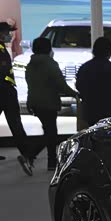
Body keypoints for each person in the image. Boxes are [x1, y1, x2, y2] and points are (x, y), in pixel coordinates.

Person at [0, 21, 34, 174]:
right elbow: (0, 72)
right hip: (4, 92)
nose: (10, 35)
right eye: (8, 33)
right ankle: (26, 152)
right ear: (1, 33)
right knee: (15, 122)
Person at [25, 37, 78, 170]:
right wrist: (75, 94)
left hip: (35, 101)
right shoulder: (50, 64)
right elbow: (60, 84)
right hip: (48, 102)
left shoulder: (31, 64)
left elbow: (31, 85)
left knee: (49, 131)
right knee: (50, 133)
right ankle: (31, 155)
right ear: (48, 48)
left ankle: (51, 162)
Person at [75, 36, 111, 127]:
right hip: (108, 111)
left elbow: (79, 86)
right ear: (109, 52)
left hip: (89, 110)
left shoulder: (85, 68)